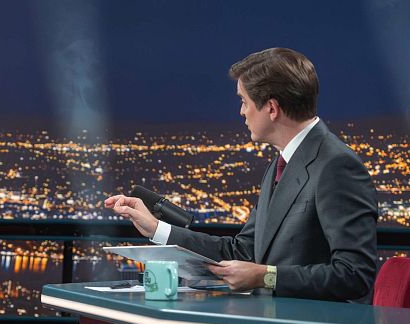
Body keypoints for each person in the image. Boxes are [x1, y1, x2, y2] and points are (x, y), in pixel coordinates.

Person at [105, 48, 378, 303]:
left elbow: (355, 275)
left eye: (244, 101)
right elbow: (242, 252)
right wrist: (157, 229)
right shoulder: (281, 164)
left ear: (271, 108)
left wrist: (266, 276)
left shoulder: (336, 165)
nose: (241, 112)